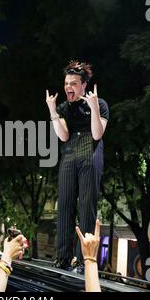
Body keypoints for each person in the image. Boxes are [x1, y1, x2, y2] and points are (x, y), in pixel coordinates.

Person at [46, 61, 109, 271]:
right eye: (66, 83)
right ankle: (62, 258)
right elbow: (63, 136)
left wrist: (93, 107)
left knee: (87, 206)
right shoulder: (64, 107)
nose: (67, 87)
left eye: (73, 83)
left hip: (90, 149)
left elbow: (97, 134)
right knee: (63, 205)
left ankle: (84, 260)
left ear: (84, 85)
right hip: (70, 152)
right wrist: (53, 111)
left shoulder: (99, 104)